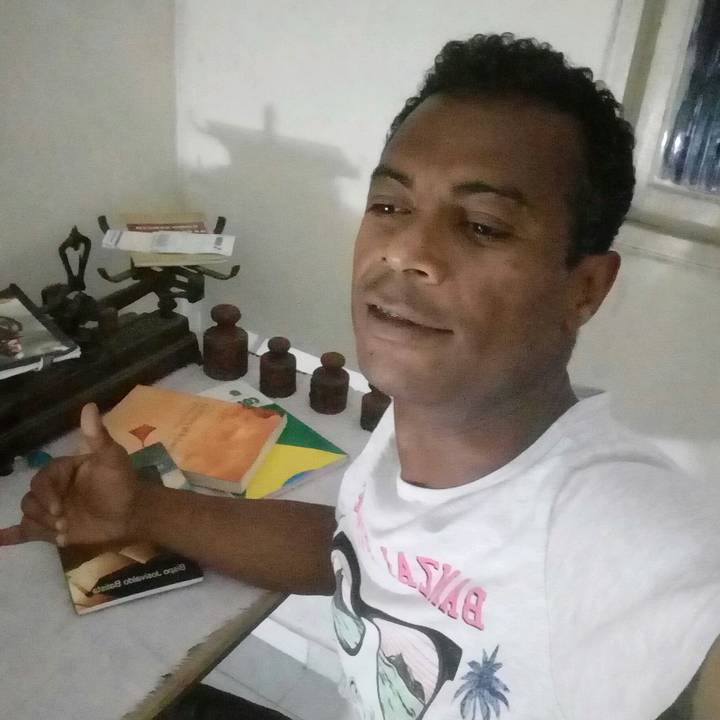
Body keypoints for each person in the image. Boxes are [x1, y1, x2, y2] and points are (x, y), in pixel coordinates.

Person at [2, 33, 719, 720]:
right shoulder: (420, 429)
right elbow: (356, 550)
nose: (405, 250)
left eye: (482, 225)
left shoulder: (611, 528)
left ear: (584, 288)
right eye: (390, 206)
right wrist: (142, 509)